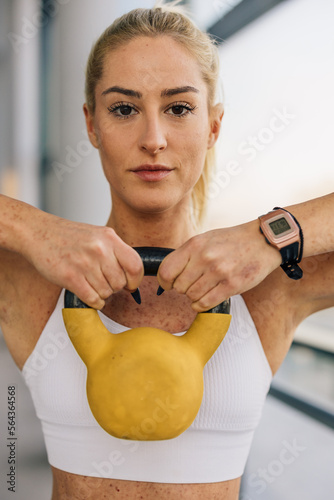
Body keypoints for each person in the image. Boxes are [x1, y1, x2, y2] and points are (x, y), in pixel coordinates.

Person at [0, 3, 333, 499]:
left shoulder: (269, 287)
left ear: (213, 127)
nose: (153, 140)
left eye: (178, 109)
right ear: (91, 125)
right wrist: (31, 230)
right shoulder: (33, 277)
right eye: (124, 109)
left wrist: (271, 236)